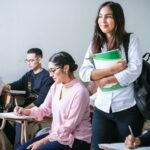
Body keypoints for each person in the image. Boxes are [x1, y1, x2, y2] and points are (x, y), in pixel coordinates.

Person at [79, 1, 144, 150]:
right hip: (102, 108)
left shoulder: (130, 40)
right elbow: (84, 72)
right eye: (100, 16)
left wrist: (105, 80)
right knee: (97, 148)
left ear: (118, 19)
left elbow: (134, 70)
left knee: (126, 147)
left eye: (108, 16)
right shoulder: (95, 43)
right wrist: (112, 69)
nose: (103, 20)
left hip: (127, 107)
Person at [15, 51, 92, 150]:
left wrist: (43, 141)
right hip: (57, 135)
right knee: (20, 149)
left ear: (66, 68)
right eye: (50, 70)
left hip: (76, 140)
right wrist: (27, 111)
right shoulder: (56, 86)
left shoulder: (80, 92)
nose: (51, 75)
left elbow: (69, 125)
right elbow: (45, 108)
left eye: (53, 70)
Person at [2, 48, 54, 149]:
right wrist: (6, 86)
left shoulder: (47, 77)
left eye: (31, 60)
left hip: (39, 109)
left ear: (39, 60)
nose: (28, 63)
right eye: (27, 60)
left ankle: (18, 147)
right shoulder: (29, 74)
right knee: (2, 118)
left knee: (19, 122)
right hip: (26, 106)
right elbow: (17, 84)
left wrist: (25, 110)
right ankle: (18, 146)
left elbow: (40, 101)